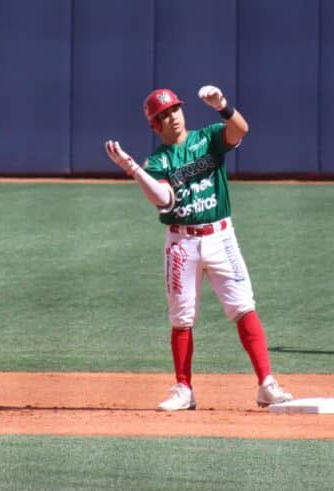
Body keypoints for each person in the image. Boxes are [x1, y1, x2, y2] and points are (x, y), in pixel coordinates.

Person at [104, 86, 294, 411]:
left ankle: (266, 384)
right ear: (154, 125)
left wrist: (222, 106)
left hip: (221, 236)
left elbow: (240, 130)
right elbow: (164, 200)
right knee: (182, 317)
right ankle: (183, 388)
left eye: (174, 110)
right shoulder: (158, 161)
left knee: (243, 307)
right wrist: (134, 170)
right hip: (182, 243)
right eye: (162, 115)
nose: (171, 117)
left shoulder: (208, 139)